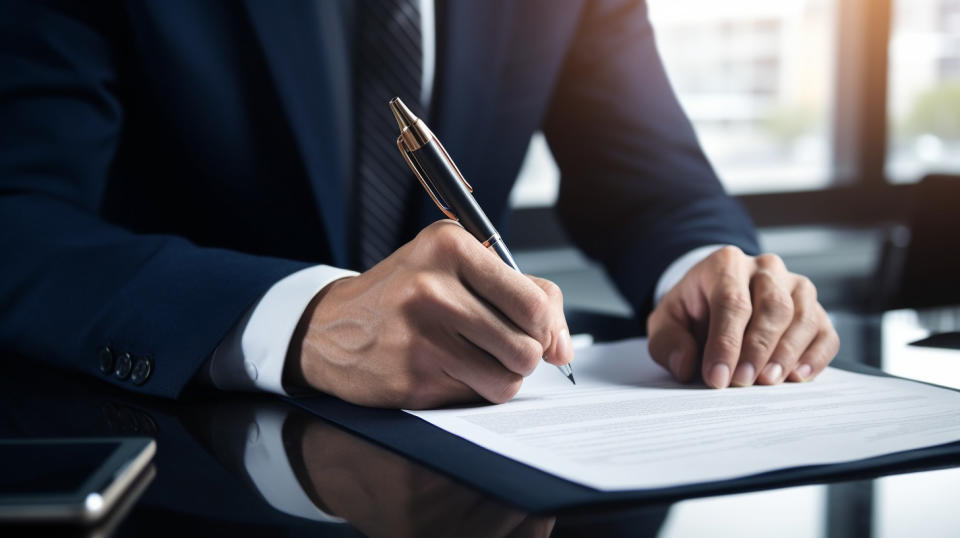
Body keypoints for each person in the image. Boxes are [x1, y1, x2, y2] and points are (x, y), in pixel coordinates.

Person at [0, 0, 838, 407]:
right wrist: (298, 317)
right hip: (185, 465)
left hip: (477, 482)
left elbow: (650, 177)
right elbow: (21, 214)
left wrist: (714, 276)